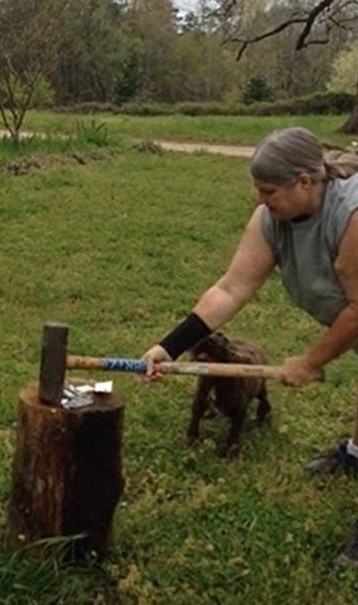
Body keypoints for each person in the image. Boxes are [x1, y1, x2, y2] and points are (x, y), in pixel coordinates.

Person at [139, 126, 358, 566]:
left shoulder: (352, 215)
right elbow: (232, 288)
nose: (261, 201)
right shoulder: (270, 221)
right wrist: (169, 347)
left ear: (304, 181)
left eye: (268, 191)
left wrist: (312, 361)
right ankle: (355, 454)